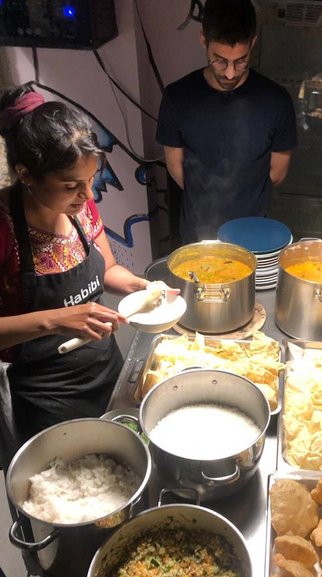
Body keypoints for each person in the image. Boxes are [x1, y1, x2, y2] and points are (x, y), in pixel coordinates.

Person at [0, 84, 157, 455]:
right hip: (48, 397)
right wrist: (56, 318)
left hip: (109, 373)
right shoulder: (4, 228)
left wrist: (139, 287)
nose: (87, 196)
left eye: (90, 180)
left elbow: (107, 270)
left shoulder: (81, 209)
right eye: (72, 185)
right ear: (27, 175)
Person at [156, 0, 297, 244]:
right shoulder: (177, 96)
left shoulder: (276, 100)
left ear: (252, 42)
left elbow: (277, 172)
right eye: (220, 60)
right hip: (197, 236)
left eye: (240, 61)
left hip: (255, 236)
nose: (230, 73)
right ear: (203, 40)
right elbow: (176, 167)